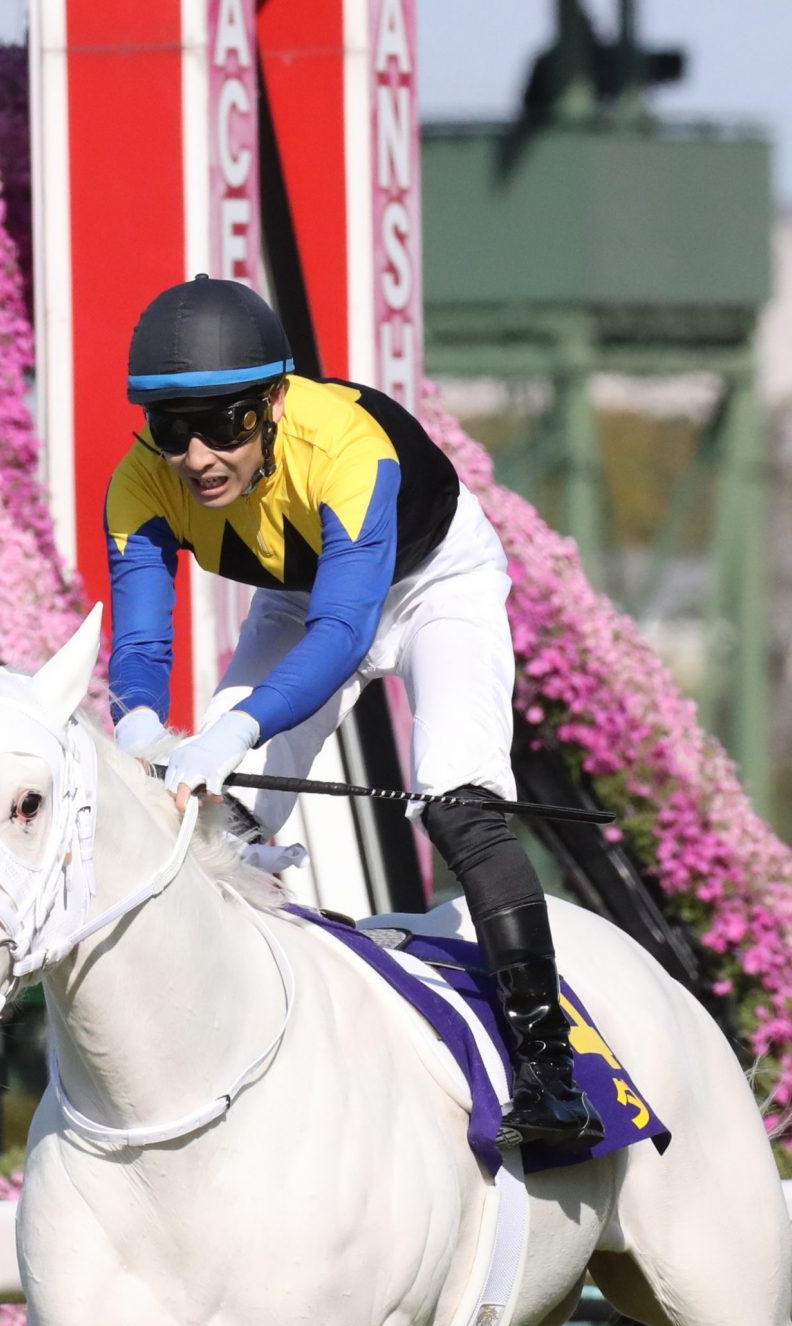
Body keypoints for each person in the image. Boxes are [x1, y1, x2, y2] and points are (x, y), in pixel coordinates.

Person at [104, 275, 602, 1151]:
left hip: (431, 587)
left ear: (272, 403)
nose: (196, 459)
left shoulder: (344, 447)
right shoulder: (140, 483)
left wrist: (233, 729)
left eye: (224, 425)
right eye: (172, 429)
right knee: (217, 817)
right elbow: (143, 647)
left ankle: (548, 1068)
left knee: (458, 806)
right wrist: (140, 728)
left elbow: (346, 635)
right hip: (303, 600)